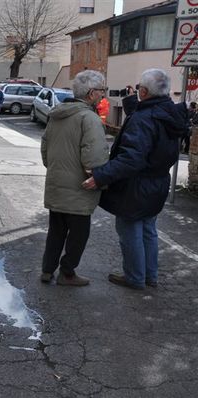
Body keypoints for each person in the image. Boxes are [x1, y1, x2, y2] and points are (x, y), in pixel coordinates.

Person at [82, 69, 188, 290]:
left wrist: (101, 176)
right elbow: (147, 121)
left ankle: (135, 278)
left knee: (129, 229)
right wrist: (133, 100)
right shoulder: (169, 112)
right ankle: (150, 276)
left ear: (144, 91)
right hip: (158, 183)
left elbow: (131, 157)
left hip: (137, 186)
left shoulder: (143, 118)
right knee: (148, 229)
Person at [40, 70, 110, 286]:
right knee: (78, 235)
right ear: (91, 93)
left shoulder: (57, 114)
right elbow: (94, 156)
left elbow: (45, 149)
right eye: (101, 91)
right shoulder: (89, 118)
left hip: (56, 185)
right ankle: (67, 273)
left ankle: (47, 270)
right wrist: (100, 178)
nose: (103, 96)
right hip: (79, 189)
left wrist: (56, 168)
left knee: (56, 231)